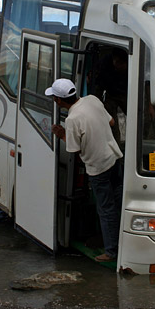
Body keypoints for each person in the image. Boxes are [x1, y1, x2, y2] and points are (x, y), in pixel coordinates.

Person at [47, 78, 123, 262]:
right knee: (119, 203)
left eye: (54, 98)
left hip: (98, 168)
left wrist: (61, 133)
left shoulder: (72, 119)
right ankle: (124, 242)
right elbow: (112, 122)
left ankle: (112, 251)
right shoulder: (92, 99)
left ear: (58, 101)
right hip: (115, 158)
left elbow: (74, 149)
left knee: (106, 210)